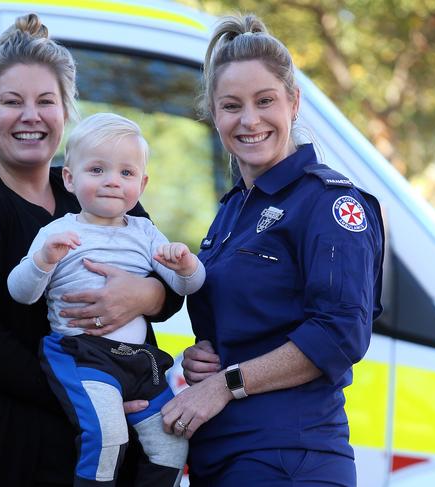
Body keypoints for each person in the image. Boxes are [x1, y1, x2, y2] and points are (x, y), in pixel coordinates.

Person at [0, 15, 183, 487]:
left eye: (46, 101)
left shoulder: (96, 187)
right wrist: (90, 395)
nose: (30, 116)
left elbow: (167, 281)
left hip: (92, 444)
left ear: (65, 112)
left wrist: (146, 296)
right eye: (12, 102)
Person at [160, 13, 385, 487]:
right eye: (231, 106)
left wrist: (226, 383)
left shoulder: (329, 203)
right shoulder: (232, 211)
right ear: (214, 114)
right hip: (223, 454)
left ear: (294, 102)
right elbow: (246, 327)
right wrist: (204, 359)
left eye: (265, 101)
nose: (249, 120)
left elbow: (341, 333)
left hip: (289, 457)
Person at [7, 112, 203, 487]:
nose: (113, 181)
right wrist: (42, 261)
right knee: (108, 437)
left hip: (140, 363)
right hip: (82, 354)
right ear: (70, 177)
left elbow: (187, 287)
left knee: (172, 442)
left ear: (142, 184)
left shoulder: (146, 232)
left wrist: (186, 265)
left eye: (126, 174)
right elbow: (21, 292)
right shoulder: (58, 232)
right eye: (97, 170)